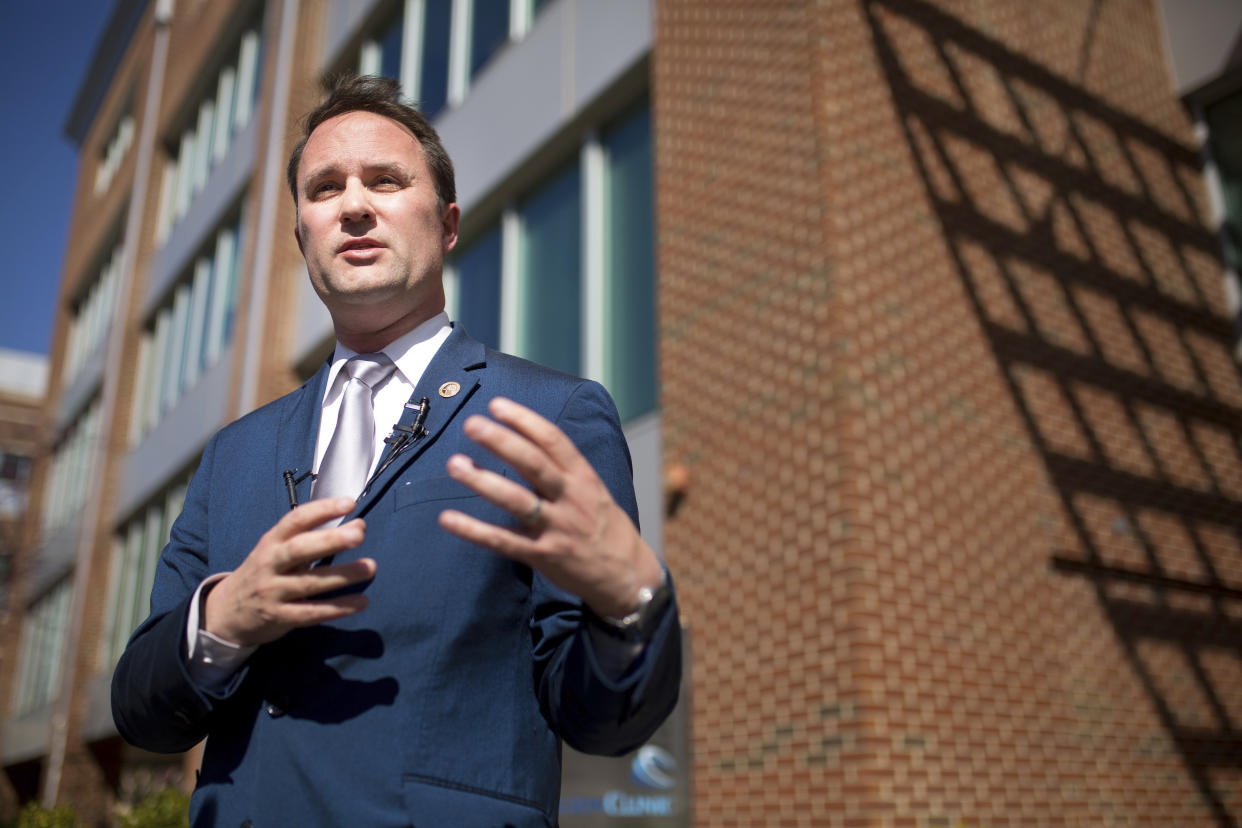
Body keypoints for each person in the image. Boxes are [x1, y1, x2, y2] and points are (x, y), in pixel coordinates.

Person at [111, 75, 681, 827]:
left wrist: (631, 605)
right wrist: (226, 615)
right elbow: (143, 713)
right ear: (301, 237)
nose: (353, 206)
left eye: (385, 179)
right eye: (324, 189)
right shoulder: (234, 455)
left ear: (445, 225)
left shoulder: (553, 416)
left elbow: (600, 719)